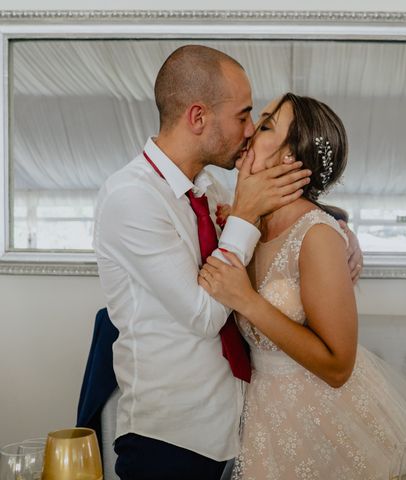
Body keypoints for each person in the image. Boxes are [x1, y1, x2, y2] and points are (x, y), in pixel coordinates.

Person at [93, 46, 363, 480]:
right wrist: (243, 216)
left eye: (260, 121)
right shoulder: (133, 199)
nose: (250, 130)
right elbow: (204, 313)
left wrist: (339, 231)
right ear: (198, 117)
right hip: (170, 436)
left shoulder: (210, 189)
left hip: (239, 427)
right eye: (243, 116)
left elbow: (283, 227)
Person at [199, 93, 406, 479]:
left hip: (325, 421)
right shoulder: (243, 224)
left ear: (289, 158)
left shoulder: (316, 235)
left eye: (265, 125)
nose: (249, 131)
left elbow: (338, 366)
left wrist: (247, 301)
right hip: (264, 418)